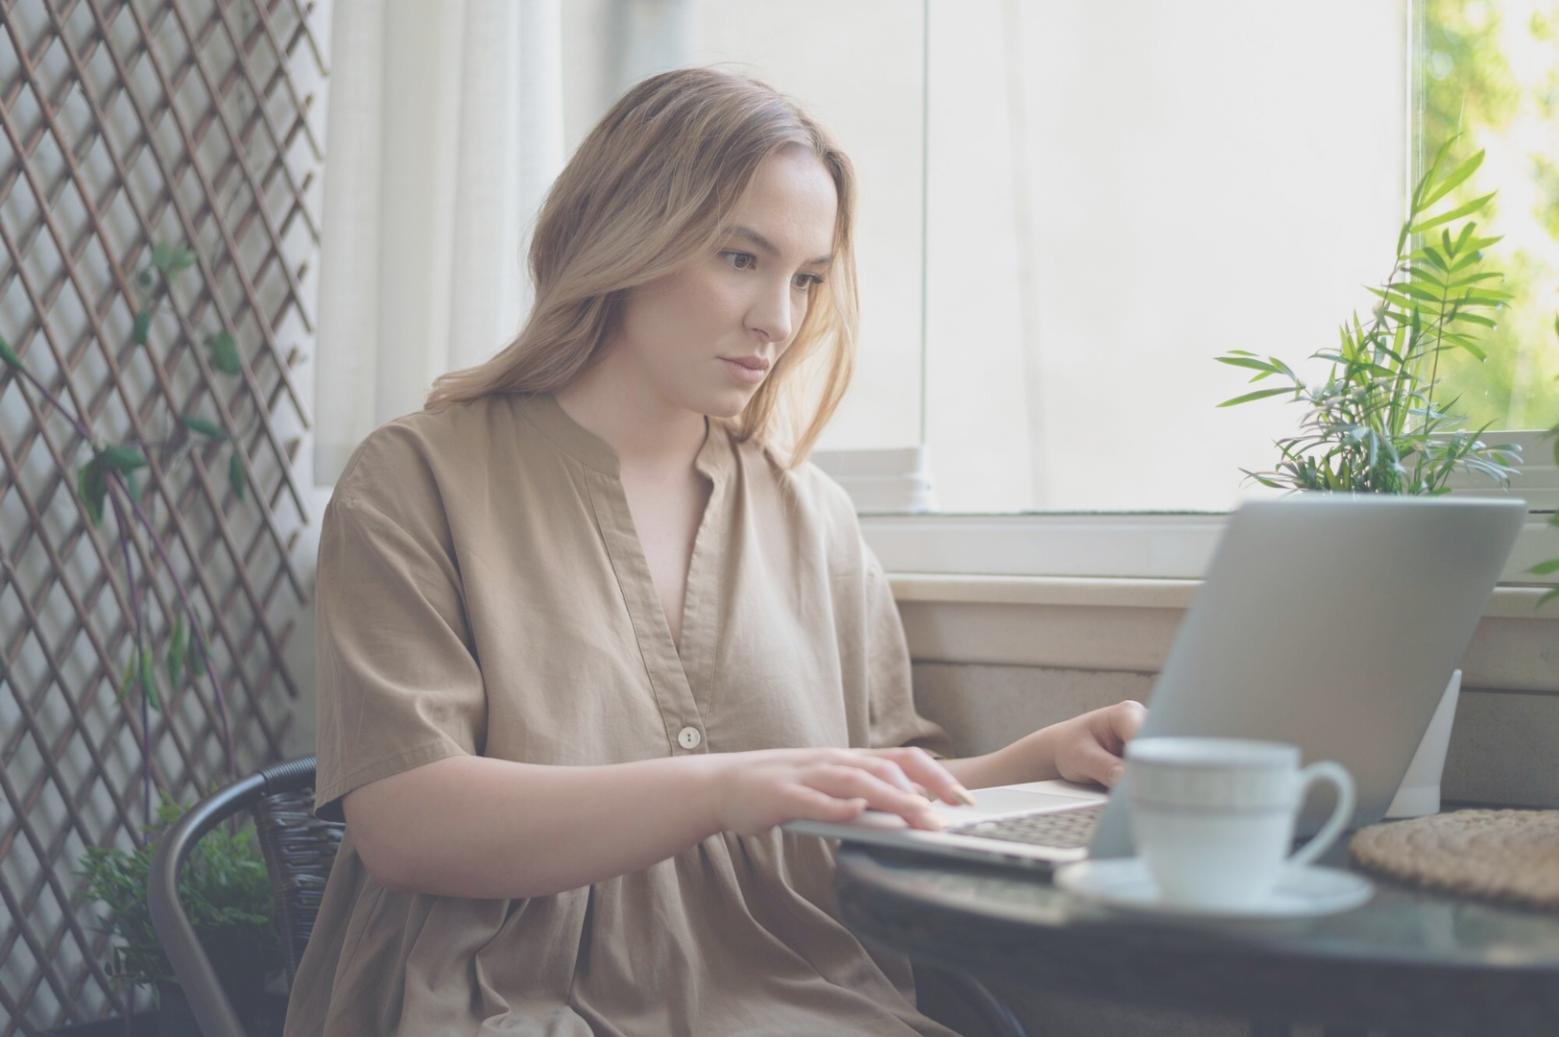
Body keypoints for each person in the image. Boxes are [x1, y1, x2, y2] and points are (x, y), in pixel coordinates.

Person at [284, 66, 1145, 1036]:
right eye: (741, 258)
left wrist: (1041, 756)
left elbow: (855, 790)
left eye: (806, 278)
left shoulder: (812, 517)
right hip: (501, 1000)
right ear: (622, 236)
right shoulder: (415, 478)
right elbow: (404, 824)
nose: (778, 319)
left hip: (800, 1000)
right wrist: (722, 787)